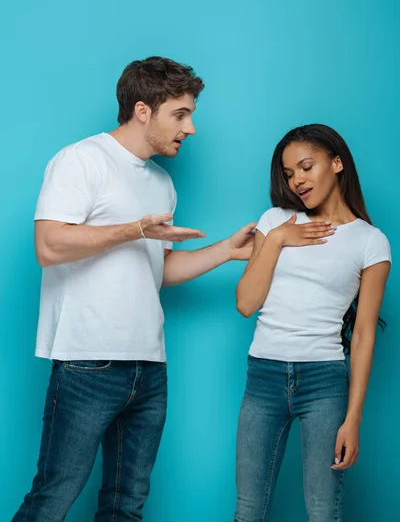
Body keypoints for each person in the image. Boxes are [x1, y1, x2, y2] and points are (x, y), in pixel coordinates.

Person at [12, 55, 268, 522]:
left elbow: (159, 271)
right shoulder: (81, 160)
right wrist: (134, 230)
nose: (190, 129)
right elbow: (48, 246)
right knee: (53, 498)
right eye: (181, 114)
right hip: (87, 361)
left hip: (149, 367)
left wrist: (226, 251)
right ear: (143, 110)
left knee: (126, 506)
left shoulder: (162, 184)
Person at [234, 124, 391, 522]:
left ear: (336, 163)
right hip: (263, 378)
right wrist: (277, 239)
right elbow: (245, 304)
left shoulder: (370, 241)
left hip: (324, 383)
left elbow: (364, 336)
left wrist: (352, 420)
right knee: (248, 510)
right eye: (289, 174)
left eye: (306, 167)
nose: (297, 181)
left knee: (322, 512)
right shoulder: (275, 220)